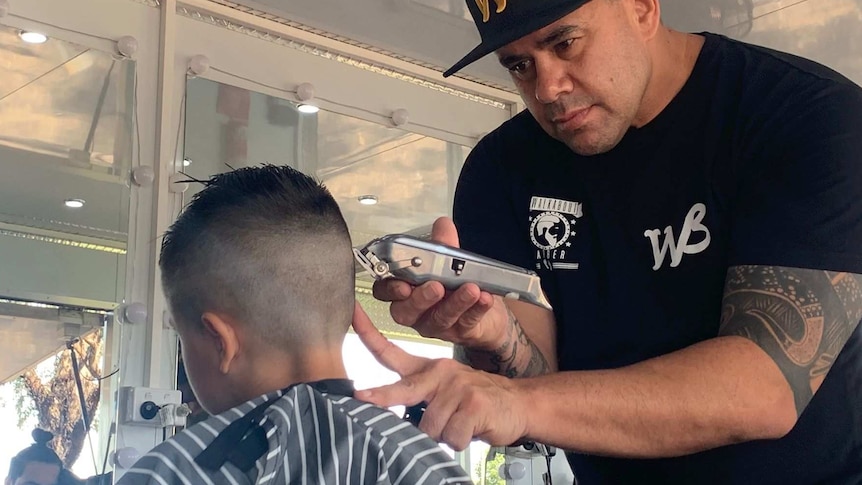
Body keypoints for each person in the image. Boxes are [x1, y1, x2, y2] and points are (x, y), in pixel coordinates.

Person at [359, 0, 862, 483]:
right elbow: (537, 385)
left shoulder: (805, 114)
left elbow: (766, 387)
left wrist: (519, 404)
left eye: (566, 43)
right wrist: (492, 338)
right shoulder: (501, 171)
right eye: (519, 65)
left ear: (642, 7)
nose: (548, 88)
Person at [117, 165, 470, 484]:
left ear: (219, 341)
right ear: (342, 313)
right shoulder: (427, 466)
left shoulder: (171, 473)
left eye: (183, 338)